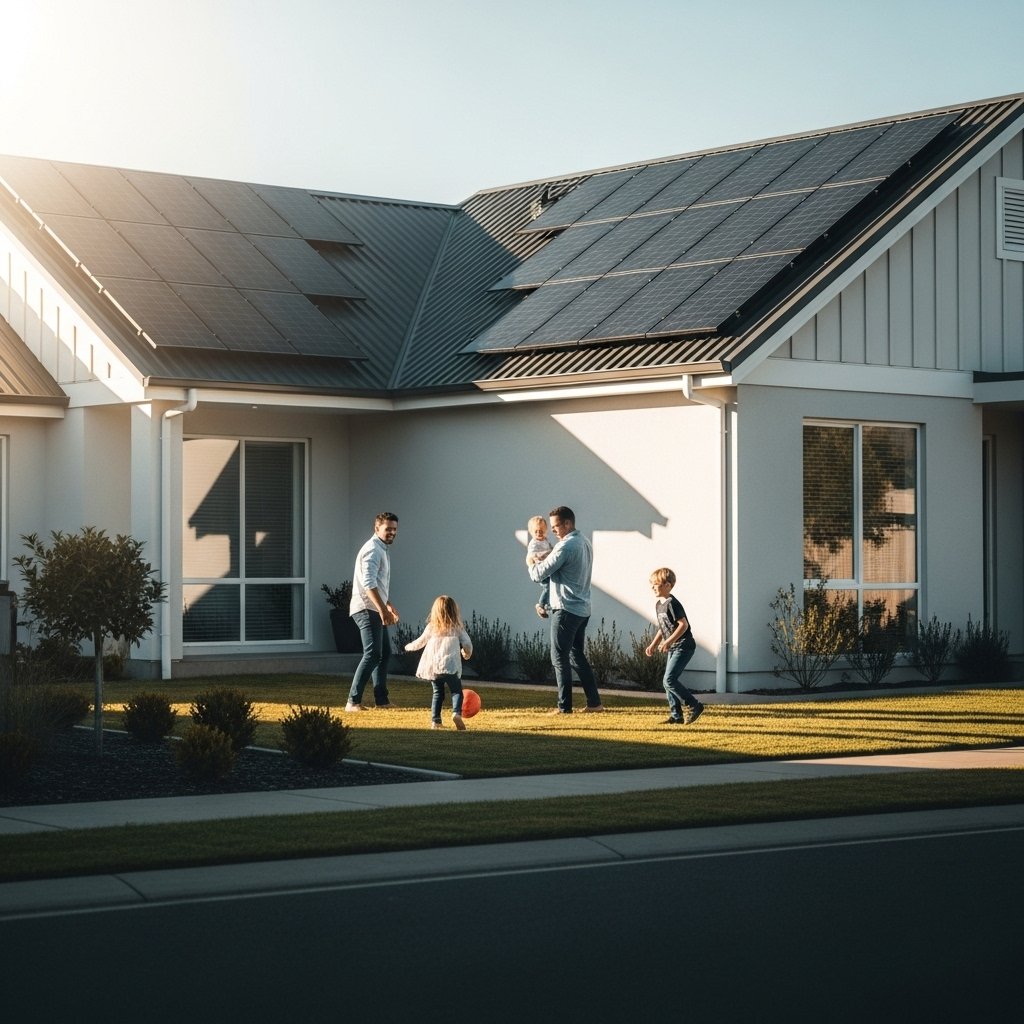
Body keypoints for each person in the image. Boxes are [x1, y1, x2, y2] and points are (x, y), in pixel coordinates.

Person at [528, 505, 604, 715]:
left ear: (568, 523)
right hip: (582, 608)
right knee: (576, 656)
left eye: (555, 526)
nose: (552, 530)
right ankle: (595, 703)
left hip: (566, 609)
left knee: (559, 657)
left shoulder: (565, 546)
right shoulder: (585, 542)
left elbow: (538, 575)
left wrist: (530, 562)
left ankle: (564, 707)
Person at [345, 512, 400, 712]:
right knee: (372, 654)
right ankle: (353, 702)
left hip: (375, 607)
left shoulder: (381, 549)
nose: (392, 532)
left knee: (384, 653)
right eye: (388, 529)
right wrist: (382, 609)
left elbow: (376, 583)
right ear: (377, 529)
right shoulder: (373, 550)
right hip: (366, 609)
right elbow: (368, 584)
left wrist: (388, 603)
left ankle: (382, 700)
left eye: (394, 529)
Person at [645, 567, 705, 725]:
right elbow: (663, 627)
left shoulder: (673, 603)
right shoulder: (659, 605)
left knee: (669, 680)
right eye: (651, 584)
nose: (652, 587)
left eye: (656, 584)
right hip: (673, 646)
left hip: (684, 645)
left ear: (668, 585)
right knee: (667, 682)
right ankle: (676, 716)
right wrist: (653, 644)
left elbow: (683, 625)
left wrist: (669, 641)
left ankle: (694, 705)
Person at [404, 595, 474, 730]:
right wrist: (467, 653)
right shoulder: (456, 627)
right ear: (454, 611)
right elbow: (467, 643)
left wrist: (408, 647)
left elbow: (421, 641)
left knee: (438, 693)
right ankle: (456, 713)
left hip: (434, 667)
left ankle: (436, 721)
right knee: (456, 691)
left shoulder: (432, 627)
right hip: (451, 666)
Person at [525, 515, 553, 619]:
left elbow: (553, 550)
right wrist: (547, 554)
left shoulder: (545, 541)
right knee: (547, 586)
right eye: (536, 531)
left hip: (546, 569)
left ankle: (547, 605)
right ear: (532, 532)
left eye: (541, 531)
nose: (539, 533)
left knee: (552, 586)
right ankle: (541, 606)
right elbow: (535, 555)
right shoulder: (534, 543)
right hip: (539, 570)